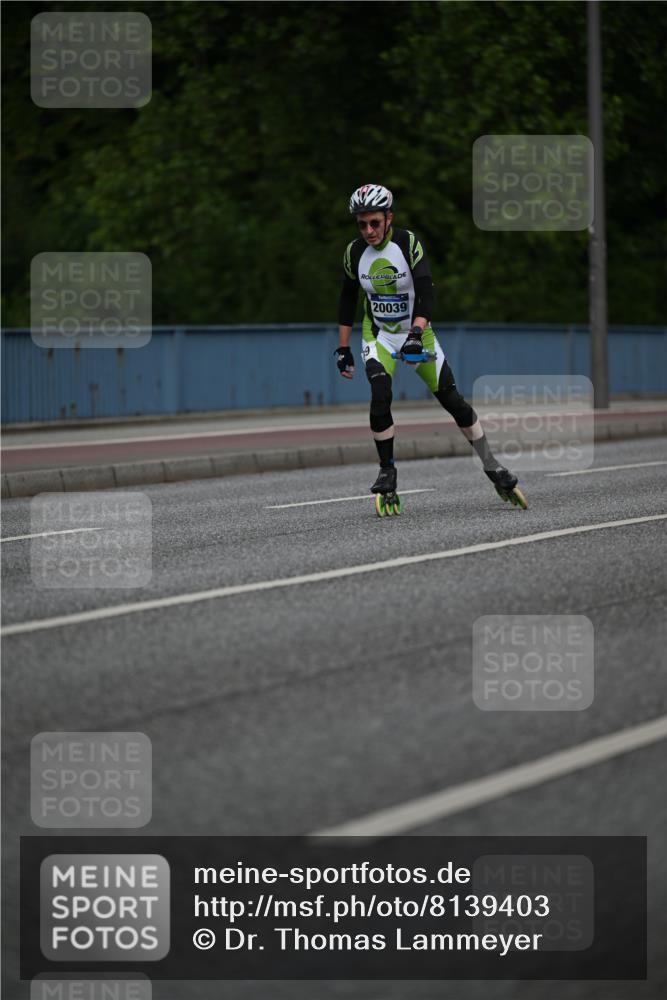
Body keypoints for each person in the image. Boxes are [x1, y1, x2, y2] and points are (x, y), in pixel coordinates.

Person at [334, 183, 526, 511]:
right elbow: (347, 299)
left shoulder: (407, 244)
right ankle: (387, 472)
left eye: (374, 223)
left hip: (417, 331)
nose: (368, 231)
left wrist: (415, 333)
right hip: (378, 334)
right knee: (380, 391)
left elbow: (427, 292)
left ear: (389, 218)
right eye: (362, 224)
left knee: (453, 401)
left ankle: (493, 466)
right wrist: (342, 348)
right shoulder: (354, 253)